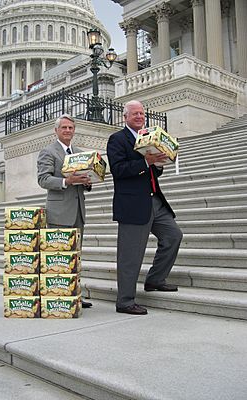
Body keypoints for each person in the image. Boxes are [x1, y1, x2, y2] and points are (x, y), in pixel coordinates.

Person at [106, 100, 183, 315]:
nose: (139, 117)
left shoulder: (148, 138)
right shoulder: (117, 139)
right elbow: (118, 170)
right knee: (130, 255)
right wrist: (146, 162)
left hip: (155, 200)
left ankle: (155, 279)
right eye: (135, 114)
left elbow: (152, 173)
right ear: (126, 117)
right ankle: (125, 301)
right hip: (132, 203)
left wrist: (158, 164)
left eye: (141, 113)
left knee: (173, 236)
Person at [37, 114, 92, 308]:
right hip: (59, 213)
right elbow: (43, 179)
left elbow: (83, 180)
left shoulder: (78, 152)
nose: (68, 131)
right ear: (56, 130)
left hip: (78, 211)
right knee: (58, 257)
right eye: (64, 128)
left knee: (75, 257)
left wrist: (87, 182)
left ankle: (74, 295)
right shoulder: (48, 152)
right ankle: (57, 298)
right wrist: (65, 181)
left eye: (71, 128)